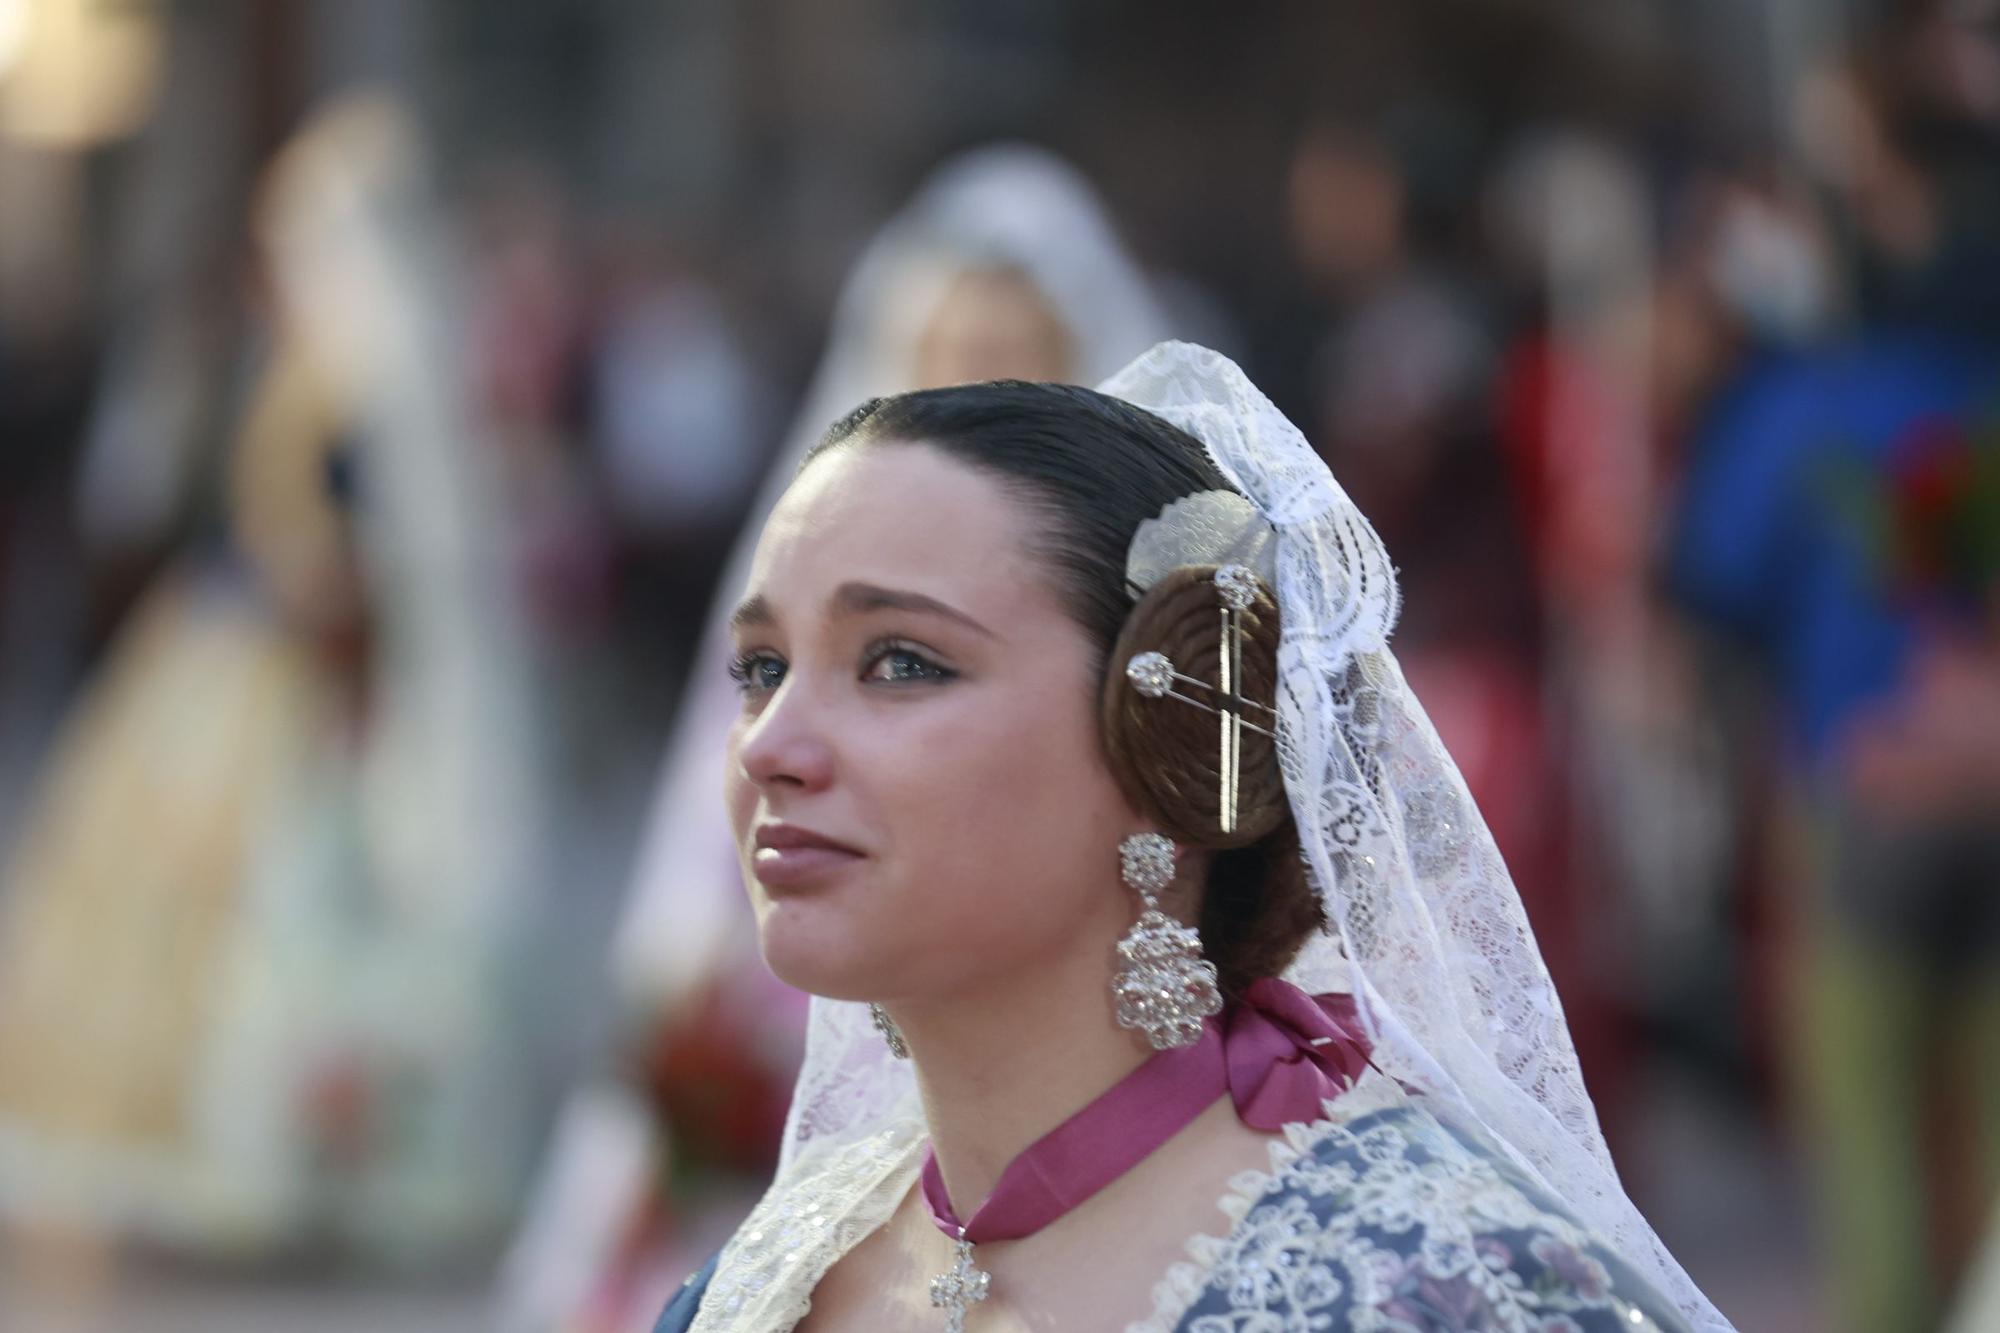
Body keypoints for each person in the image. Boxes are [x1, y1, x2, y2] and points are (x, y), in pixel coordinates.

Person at [651, 343, 1732, 1331]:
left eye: (900, 661)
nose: (768, 746)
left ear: (1172, 731)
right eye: (762, 669)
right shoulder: (761, 1285)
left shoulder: (1422, 1289)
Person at [499, 145, 1171, 1333]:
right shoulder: (824, 560)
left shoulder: (1135, 596)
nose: (978, 392)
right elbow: (740, 780)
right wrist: (699, 1010)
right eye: (951, 361)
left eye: (1012, 360)